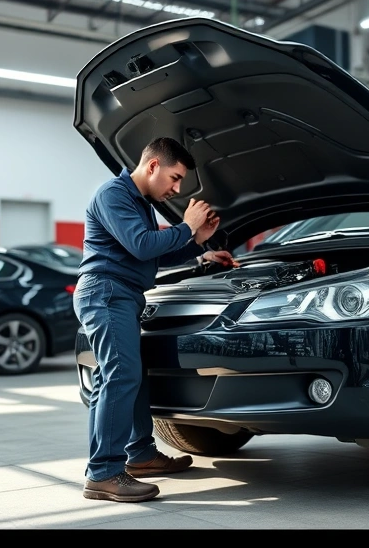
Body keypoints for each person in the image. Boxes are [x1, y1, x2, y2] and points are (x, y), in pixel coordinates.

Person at [75, 137, 236, 503]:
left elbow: (149, 257)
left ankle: (141, 455)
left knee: (131, 376)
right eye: (175, 178)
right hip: (105, 292)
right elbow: (142, 245)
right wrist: (187, 226)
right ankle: (103, 473)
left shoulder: (139, 203)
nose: (177, 188)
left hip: (122, 295)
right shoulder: (112, 194)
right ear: (152, 167)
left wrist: (201, 249)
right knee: (120, 375)